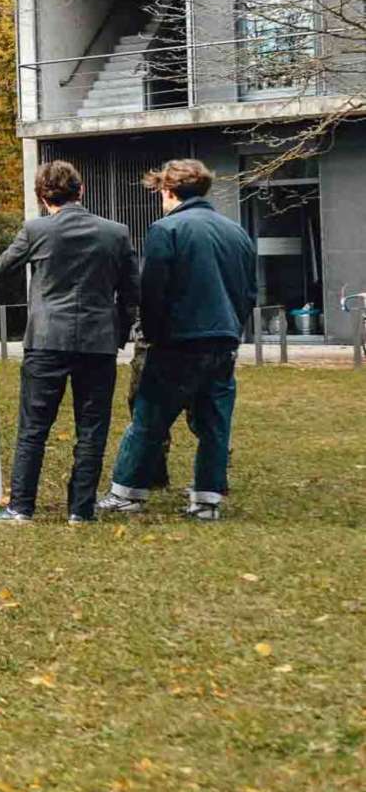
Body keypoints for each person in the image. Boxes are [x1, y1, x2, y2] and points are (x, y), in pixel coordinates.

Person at [99, 159, 255, 522]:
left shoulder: (166, 229)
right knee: (215, 422)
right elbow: (249, 292)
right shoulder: (237, 232)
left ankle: (127, 491)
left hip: (179, 341)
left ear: (168, 191)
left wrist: (152, 334)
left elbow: (153, 290)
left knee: (149, 417)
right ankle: (207, 499)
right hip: (223, 340)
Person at [0, 161, 138, 524]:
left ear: (42, 196)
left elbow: (1, 267)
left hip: (46, 339)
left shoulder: (36, 229)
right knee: (92, 427)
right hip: (97, 341)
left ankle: (21, 506)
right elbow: (132, 292)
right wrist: (116, 333)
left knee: (34, 426)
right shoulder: (115, 232)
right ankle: (80, 509)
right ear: (81, 190)